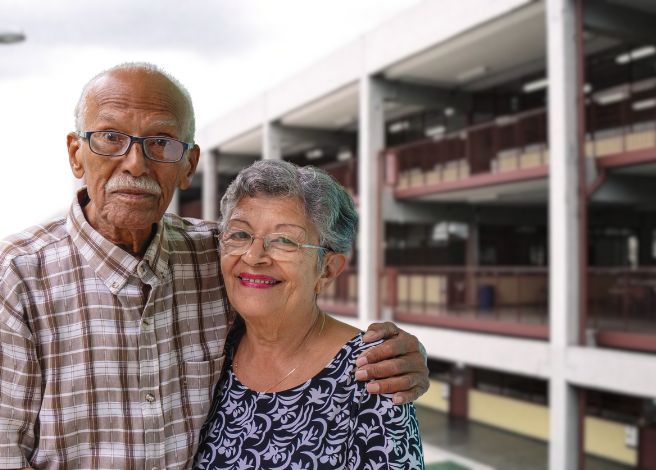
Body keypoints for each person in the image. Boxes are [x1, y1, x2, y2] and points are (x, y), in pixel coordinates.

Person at [0, 63, 428, 469]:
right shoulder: (17, 277)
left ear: (188, 164)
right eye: (110, 136)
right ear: (76, 154)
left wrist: (407, 354)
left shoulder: (215, 255)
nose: (135, 162)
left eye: (161, 142)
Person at [194, 160, 422, 469]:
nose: (254, 256)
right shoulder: (212, 348)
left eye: (284, 241)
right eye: (240, 235)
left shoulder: (372, 373)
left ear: (327, 269)